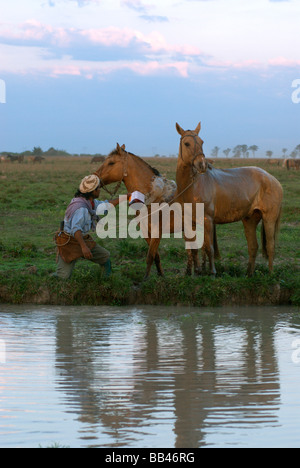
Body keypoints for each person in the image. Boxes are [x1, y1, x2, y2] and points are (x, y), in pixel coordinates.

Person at [53, 174, 130, 279]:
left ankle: (105, 283)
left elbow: (106, 206)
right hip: (70, 242)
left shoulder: (90, 203)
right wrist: (84, 247)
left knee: (105, 257)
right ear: (92, 191)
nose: (100, 190)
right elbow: (76, 230)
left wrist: (126, 197)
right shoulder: (81, 208)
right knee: (63, 276)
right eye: (98, 188)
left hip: (82, 239)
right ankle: (47, 290)